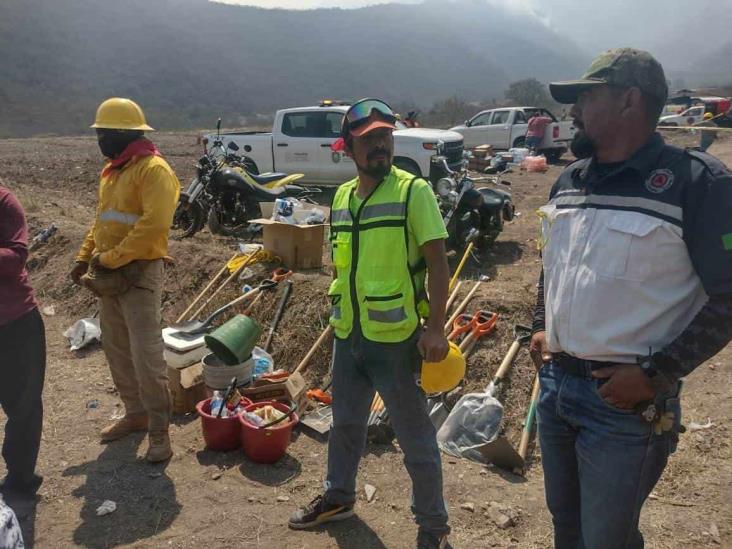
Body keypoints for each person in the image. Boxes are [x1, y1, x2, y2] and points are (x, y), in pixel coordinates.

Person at [530, 48, 732, 548]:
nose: (572, 111)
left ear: (630, 101)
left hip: (623, 404)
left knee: (607, 540)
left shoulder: (697, 184)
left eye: (586, 97)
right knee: (568, 530)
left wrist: (655, 373)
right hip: (556, 389)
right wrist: (539, 324)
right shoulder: (568, 181)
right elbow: (552, 265)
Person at [289, 99, 453, 549]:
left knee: (414, 437)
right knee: (345, 424)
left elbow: (439, 264)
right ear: (349, 148)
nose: (380, 146)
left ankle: (433, 527)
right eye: (369, 140)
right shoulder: (341, 198)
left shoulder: (412, 191)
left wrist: (435, 327)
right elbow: (343, 269)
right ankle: (339, 497)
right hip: (350, 336)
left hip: (396, 339)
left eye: (385, 137)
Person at [70, 98, 180, 462]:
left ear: (123, 133)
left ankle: (160, 432)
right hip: (109, 273)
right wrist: (84, 256)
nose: (100, 139)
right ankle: (135, 414)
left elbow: (153, 228)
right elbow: (103, 221)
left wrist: (109, 259)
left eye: (103, 133)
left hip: (139, 274)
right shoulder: (113, 171)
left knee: (146, 356)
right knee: (116, 349)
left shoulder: (154, 170)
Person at [0, 186, 46, 498]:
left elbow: (16, 258)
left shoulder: (5, 202)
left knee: (23, 405)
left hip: (13, 321)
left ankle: (20, 477)